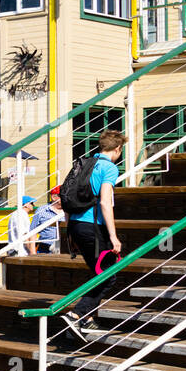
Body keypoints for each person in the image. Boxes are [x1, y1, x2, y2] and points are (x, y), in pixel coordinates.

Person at [63, 130, 125, 339]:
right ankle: (76, 314)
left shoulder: (83, 164)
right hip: (93, 227)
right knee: (109, 275)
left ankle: (87, 318)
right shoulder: (109, 168)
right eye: (120, 150)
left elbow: (67, 198)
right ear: (117, 149)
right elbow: (106, 202)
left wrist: (70, 230)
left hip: (76, 226)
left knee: (99, 272)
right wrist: (114, 236)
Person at [31, 188, 65, 254]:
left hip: (65, 248)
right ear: (54, 197)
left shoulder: (69, 210)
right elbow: (32, 231)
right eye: (63, 195)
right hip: (45, 249)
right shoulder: (42, 210)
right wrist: (32, 253)